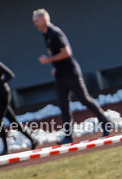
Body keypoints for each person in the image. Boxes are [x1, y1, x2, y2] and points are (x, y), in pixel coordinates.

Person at [32, 8, 113, 143]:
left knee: (84, 99)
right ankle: (68, 136)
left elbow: (67, 52)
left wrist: (49, 60)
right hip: (60, 75)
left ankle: (106, 123)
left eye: (37, 20)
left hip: (70, 73)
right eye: (34, 21)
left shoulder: (55, 33)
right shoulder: (46, 35)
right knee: (63, 105)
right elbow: (56, 54)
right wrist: (55, 67)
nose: (35, 23)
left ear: (44, 19)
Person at [0, 42, 37, 154]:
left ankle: (5, 149)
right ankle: (33, 140)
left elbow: (10, 75)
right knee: (13, 122)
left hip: (4, 94)